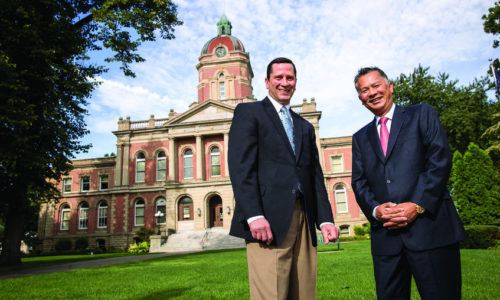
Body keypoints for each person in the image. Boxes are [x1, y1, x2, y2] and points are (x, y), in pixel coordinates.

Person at [228, 57, 339, 300]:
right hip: (268, 220)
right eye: (278, 77)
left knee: (304, 293)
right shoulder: (249, 113)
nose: (284, 82)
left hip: (304, 218)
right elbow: (240, 167)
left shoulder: (304, 126)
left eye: (290, 78)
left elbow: (315, 177)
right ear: (267, 82)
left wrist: (326, 219)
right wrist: (254, 215)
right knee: (272, 293)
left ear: (295, 83)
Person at [351, 67, 466, 300]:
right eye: (364, 90)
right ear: (360, 98)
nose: (372, 93)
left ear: (390, 86)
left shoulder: (421, 114)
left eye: (376, 85)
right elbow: (359, 182)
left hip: (429, 230)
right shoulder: (360, 138)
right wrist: (376, 210)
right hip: (387, 240)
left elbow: (439, 160)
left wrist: (418, 204)